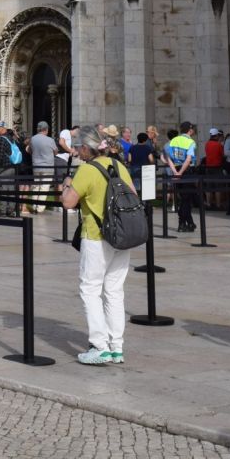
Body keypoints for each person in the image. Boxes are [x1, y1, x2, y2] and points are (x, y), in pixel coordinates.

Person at [60, 124, 138, 365]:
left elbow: (68, 203)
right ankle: (116, 347)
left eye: (77, 148)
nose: (76, 152)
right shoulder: (118, 166)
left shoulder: (87, 170)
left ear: (86, 147)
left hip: (96, 236)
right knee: (114, 291)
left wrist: (66, 184)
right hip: (121, 236)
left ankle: (99, 345)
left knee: (90, 289)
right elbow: (133, 195)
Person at [164, 125, 197, 232]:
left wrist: (175, 172)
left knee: (183, 198)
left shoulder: (173, 141)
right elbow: (188, 160)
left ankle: (189, 223)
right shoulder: (190, 142)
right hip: (186, 171)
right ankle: (182, 223)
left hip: (176, 169)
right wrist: (181, 173)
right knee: (186, 199)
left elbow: (168, 159)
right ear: (190, 131)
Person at [28, 121, 57, 213]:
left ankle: (34, 205)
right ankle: (39, 208)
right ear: (46, 129)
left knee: (36, 185)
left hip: (36, 165)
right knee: (44, 186)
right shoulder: (50, 140)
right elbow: (55, 151)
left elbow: (30, 150)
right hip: (47, 166)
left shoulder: (33, 139)